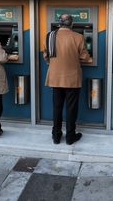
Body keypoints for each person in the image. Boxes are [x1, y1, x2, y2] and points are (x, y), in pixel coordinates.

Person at [43, 13, 92, 145]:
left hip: (55, 77)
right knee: (71, 108)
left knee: (57, 107)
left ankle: (56, 136)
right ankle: (70, 136)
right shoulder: (78, 37)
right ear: (72, 24)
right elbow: (85, 57)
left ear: (59, 23)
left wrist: (54, 63)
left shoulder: (50, 36)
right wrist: (90, 58)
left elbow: (46, 56)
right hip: (72, 78)